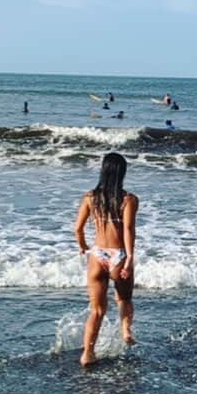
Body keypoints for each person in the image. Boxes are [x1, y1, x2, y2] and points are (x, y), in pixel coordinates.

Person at [74, 152, 139, 367]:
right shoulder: (128, 199)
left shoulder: (89, 198)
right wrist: (129, 259)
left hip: (98, 254)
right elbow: (128, 229)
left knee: (97, 310)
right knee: (124, 299)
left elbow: (78, 228)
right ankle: (126, 331)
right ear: (122, 173)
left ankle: (87, 354)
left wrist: (83, 245)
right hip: (119, 254)